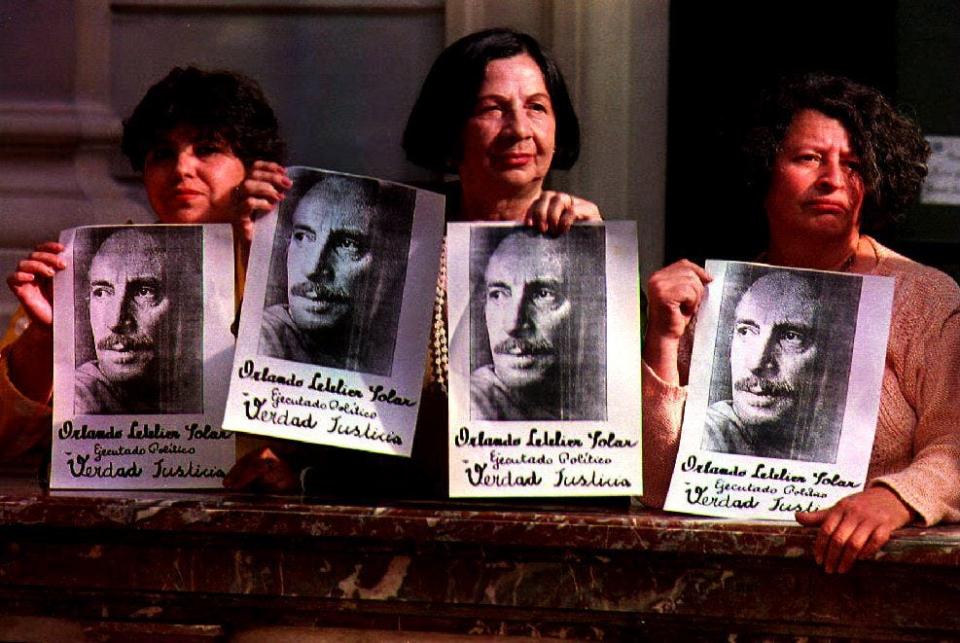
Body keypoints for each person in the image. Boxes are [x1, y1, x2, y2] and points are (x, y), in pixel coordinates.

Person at [230, 28, 606, 496]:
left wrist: (594, 269)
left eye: (536, 107)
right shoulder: (391, 243)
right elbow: (317, 408)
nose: (519, 130)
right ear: (449, 133)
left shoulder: (590, 243)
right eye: (492, 108)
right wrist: (258, 248)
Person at [642, 73, 960, 573]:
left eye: (854, 164)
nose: (832, 179)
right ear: (765, 170)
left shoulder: (924, 296)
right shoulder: (713, 298)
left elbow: (955, 444)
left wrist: (897, 498)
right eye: (809, 158)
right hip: (726, 577)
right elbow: (660, 487)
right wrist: (662, 338)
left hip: (875, 572)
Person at [1, 67, 292, 482]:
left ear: (254, 166)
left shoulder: (297, 270)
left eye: (207, 149)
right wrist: (46, 338)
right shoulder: (84, 267)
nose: (182, 169)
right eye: (162, 153)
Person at [259, 174, 413, 375]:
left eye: (347, 244)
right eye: (303, 236)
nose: (312, 268)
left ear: (387, 263)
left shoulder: (389, 353)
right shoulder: (266, 336)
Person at [471, 227, 606, 421]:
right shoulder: (473, 403)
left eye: (543, 294)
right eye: (498, 294)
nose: (513, 324)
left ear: (589, 310)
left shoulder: (601, 403)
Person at [75, 227, 202, 415]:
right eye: (101, 292)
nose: (116, 321)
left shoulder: (210, 385)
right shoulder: (78, 394)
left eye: (144, 292)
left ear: (188, 307)